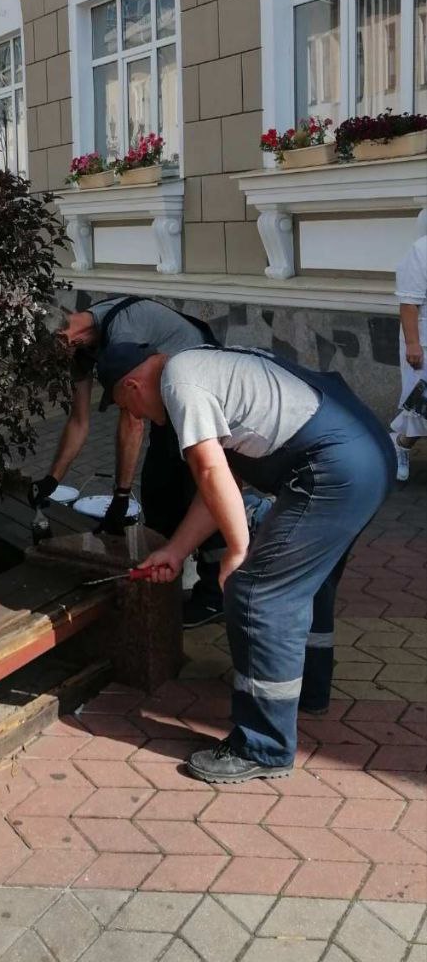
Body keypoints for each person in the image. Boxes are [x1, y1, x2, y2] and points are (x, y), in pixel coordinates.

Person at [98, 340, 393, 783]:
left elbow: (209, 472)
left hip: (334, 465)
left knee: (257, 593)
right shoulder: (204, 363)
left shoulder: (181, 383)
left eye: (127, 406)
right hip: (367, 454)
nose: (136, 416)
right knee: (306, 583)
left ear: (132, 384)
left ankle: (263, 746)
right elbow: (225, 479)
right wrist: (176, 550)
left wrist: (238, 551)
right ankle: (306, 693)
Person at [29, 296, 225, 627]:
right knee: (158, 490)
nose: (51, 362)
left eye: (50, 353)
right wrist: (51, 481)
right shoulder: (80, 352)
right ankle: (173, 581)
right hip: (166, 400)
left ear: (64, 338)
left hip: (201, 388)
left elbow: (132, 418)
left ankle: (215, 595)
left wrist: (120, 497)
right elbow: (79, 422)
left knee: (194, 490)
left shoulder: (122, 329)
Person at [391, 234, 427, 482]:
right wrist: (413, 344)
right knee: (421, 406)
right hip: (423, 342)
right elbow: (408, 302)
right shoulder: (421, 249)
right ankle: (400, 444)